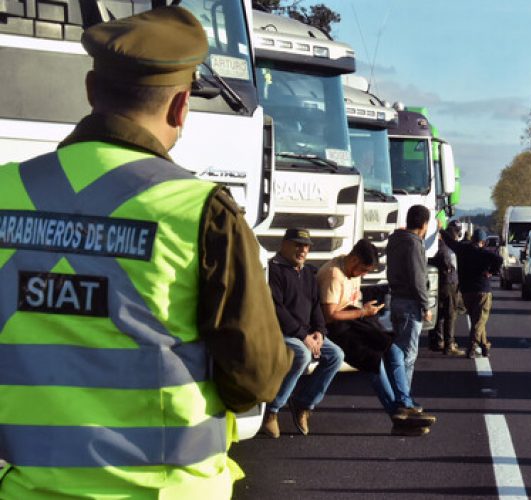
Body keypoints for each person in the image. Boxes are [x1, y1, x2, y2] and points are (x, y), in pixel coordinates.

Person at [0, 7, 292, 498]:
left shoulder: (7, 191)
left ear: (91, 90)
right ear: (181, 107)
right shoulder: (201, 211)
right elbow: (256, 378)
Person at [317, 239, 435, 436]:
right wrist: (363, 312)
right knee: (374, 360)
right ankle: (397, 415)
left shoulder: (350, 269)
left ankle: (405, 404)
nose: (363, 275)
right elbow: (329, 315)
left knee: (394, 349)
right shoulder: (333, 275)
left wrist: (366, 311)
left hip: (355, 320)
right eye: (363, 270)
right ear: (353, 259)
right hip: (337, 327)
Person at [261, 228, 345, 438]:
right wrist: (303, 335)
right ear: (284, 244)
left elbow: (316, 305)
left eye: (306, 246)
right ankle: (272, 410)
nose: (302, 250)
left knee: (336, 355)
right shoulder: (274, 270)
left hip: (307, 333)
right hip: (281, 333)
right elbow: (276, 308)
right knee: (302, 354)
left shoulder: (309, 272)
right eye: (297, 244)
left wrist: (319, 332)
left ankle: (304, 403)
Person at [385, 205, 438, 425]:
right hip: (410, 305)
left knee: (400, 351)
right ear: (424, 224)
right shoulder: (414, 244)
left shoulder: (395, 240)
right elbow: (418, 278)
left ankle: (403, 398)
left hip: (396, 300)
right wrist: (425, 305)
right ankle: (404, 401)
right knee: (408, 355)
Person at [442, 228, 503, 358]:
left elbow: (449, 241)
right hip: (482, 290)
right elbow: (499, 259)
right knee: (479, 321)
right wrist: (492, 271)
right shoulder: (485, 253)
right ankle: (472, 348)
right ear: (483, 242)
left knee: (477, 320)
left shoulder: (462, 250)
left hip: (466, 291)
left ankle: (485, 346)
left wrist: (441, 230)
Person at [429, 224, 467, 356]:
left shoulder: (436, 246)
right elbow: (449, 264)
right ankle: (449, 344)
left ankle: (439, 341)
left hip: (439, 283)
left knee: (439, 313)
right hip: (450, 283)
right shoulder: (448, 248)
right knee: (450, 314)